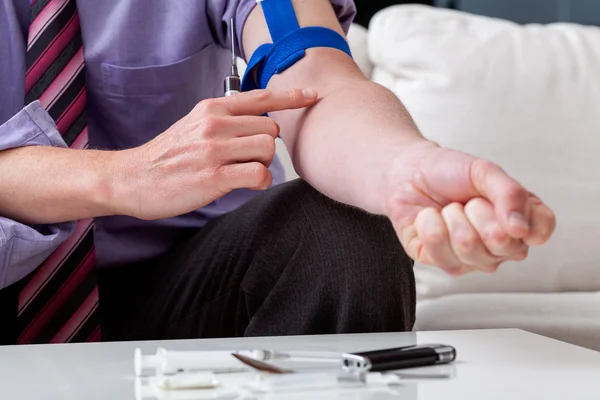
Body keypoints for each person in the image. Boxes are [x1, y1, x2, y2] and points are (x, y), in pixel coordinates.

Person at [0, 0, 555, 344]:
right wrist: (122, 178)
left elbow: (313, 72)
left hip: (172, 284)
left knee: (342, 230)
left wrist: (402, 168)